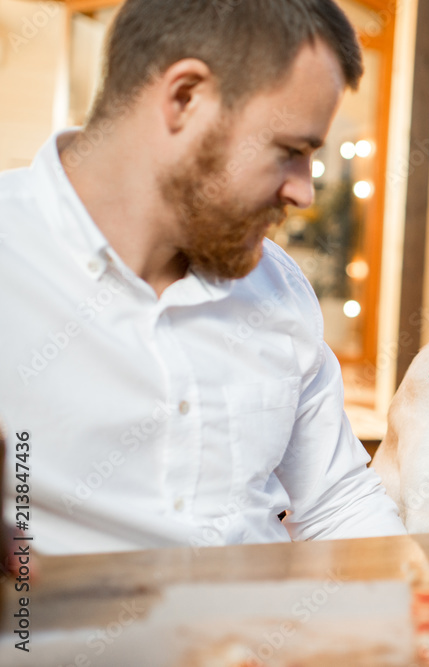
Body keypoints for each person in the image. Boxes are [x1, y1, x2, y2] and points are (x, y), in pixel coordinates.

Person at [0, 0, 405, 555]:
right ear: (185, 98)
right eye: (290, 151)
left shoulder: (280, 288)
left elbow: (337, 503)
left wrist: (424, 615)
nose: (304, 193)